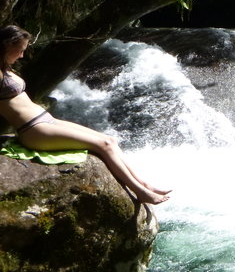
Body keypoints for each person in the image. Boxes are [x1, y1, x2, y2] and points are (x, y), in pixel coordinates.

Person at [0, 25, 170, 204]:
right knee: (104, 145)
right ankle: (140, 192)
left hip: (45, 121)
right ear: (6, 46)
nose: (22, 55)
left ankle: (143, 183)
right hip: (33, 130)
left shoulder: (6, 67)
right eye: (20, 50)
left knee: (110, 140)